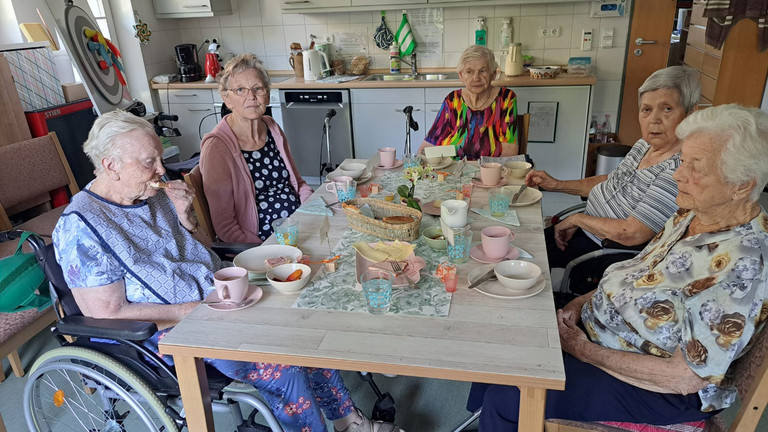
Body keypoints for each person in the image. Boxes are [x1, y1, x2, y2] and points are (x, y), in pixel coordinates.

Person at [52, 110, 403, 432]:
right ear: (110, 165)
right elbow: (105, 312)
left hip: (222, 297)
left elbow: (200, 248)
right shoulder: (81, 227)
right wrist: (187, 313)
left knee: (303, 328)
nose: (161, 169)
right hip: (166, 331)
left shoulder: (149, 194)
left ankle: (348, 422)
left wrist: (186, 217)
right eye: (149, 162)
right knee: (283, 365)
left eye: (160, 158)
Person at [470, 104, 768, 430]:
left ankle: (498, 414)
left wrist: (582, 350)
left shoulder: (744, 266)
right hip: (601, 332)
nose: (678, 174)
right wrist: (579, 303)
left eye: (696, 167)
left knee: (509, 394)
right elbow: (638, 272)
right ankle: (486, 416)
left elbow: (683, 377)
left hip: (655, 386)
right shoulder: (693, 214)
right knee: (506, 316)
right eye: (683, 161)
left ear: (742, 185)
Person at [526, 66, 701, 273]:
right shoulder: (644, 145)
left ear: (690, 114)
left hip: (605, 252)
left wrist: (577, 220)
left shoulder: (678, 169)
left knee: (521, 260)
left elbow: (632, 233)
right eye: (646, 109)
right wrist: (556, 185)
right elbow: (612, 181)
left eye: (667, 109)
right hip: (587, 231)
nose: (654, 119)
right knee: (519, 242)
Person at [200, 54, 313, 243]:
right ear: (226, 98)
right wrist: (265, 251)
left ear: (267, 94)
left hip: (296, 229)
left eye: (257, 88)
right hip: (261, 244)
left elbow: (298, 183)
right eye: (240, 90)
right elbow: (226, 226)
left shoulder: (271, 127)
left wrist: (310, 210)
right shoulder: (217, 148)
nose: (251, 96)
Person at [416, 45, 518, 159]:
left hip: (489, 169)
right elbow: (429, 143)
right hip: (452, 169)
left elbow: (509, 153)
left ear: (493, 74)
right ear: (461, 75)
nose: (476, 77)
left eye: (483, 71)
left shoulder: (505, 99)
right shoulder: (453, 100)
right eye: (469, 72)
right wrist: (420, 158)